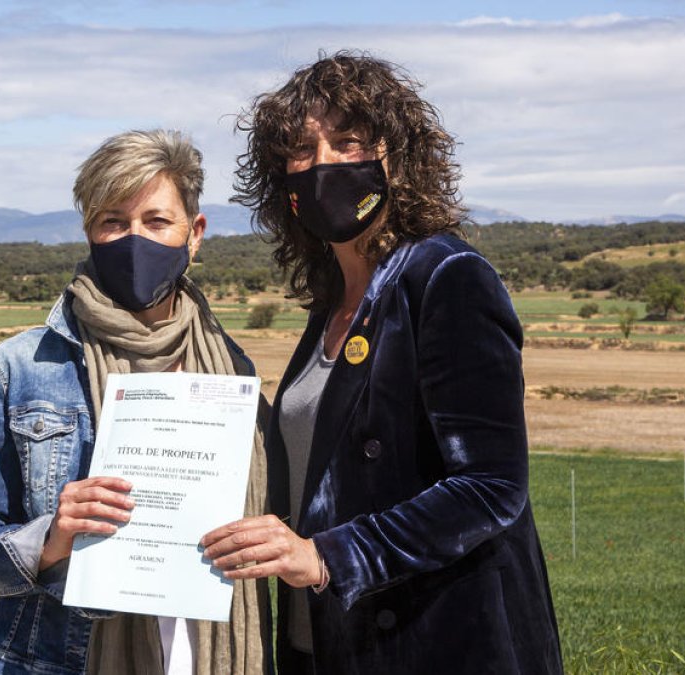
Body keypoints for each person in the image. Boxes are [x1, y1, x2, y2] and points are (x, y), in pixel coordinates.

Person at [200, 52, 563, 673]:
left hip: (441, 642)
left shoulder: (447, 277)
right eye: (302, 150)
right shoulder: (334, 301)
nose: (324, 166)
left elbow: (491, 487)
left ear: (399, 159)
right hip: (329, 643)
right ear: (281, 183)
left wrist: (329, 558)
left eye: (348, 143)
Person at [0, 129, 269, 675]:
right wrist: (50, 539)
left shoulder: (234, 371)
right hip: (54, 661)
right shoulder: (21, 367)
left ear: (195, 234)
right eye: (113, 222)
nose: (133, 239)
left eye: (156, 221)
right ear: (91, 232)